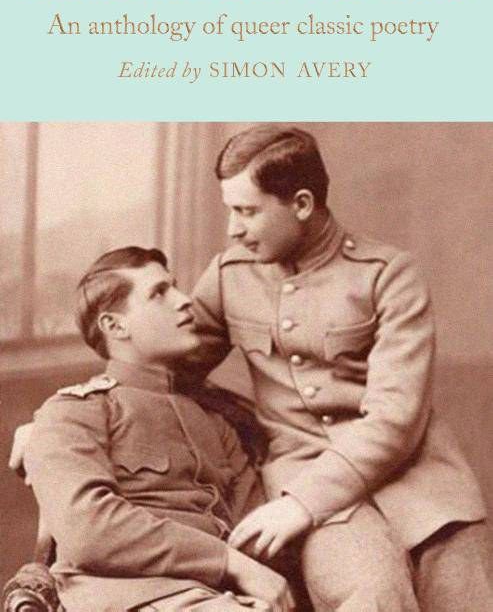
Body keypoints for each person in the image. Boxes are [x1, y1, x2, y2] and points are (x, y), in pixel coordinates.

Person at [184, 124, 493, 611]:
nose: (232, 229)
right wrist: (75, 411)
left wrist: (300, 504)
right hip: (307, 478)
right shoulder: (230, 276)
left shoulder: (388, 275)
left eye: (247, 211)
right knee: (371, 594)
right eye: (230, 210)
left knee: (466, 597)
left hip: (420, 480)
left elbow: (396, 418)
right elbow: (164, 367)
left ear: (302, 204)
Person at [22, 246, 295, 612]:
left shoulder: (214, 420)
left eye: (175, 287)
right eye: (159, 293)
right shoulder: (74, 412)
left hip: (223, 598)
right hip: (130, 597)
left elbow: (253, 526)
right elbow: (88, 531)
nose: (184, 301)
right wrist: (228, 562)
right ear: (115, 326)